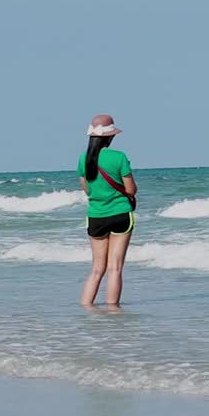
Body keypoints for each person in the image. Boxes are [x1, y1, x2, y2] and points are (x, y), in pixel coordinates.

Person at [78, 114, 136, 307]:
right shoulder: (118, 157)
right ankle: (112, 312)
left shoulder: (83, 159)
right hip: (120, 213)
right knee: (115, 268)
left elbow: (86, 189)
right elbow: (130, 189)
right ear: (109, 137)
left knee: (96, 269)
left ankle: (86, 308)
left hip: (96, 215)